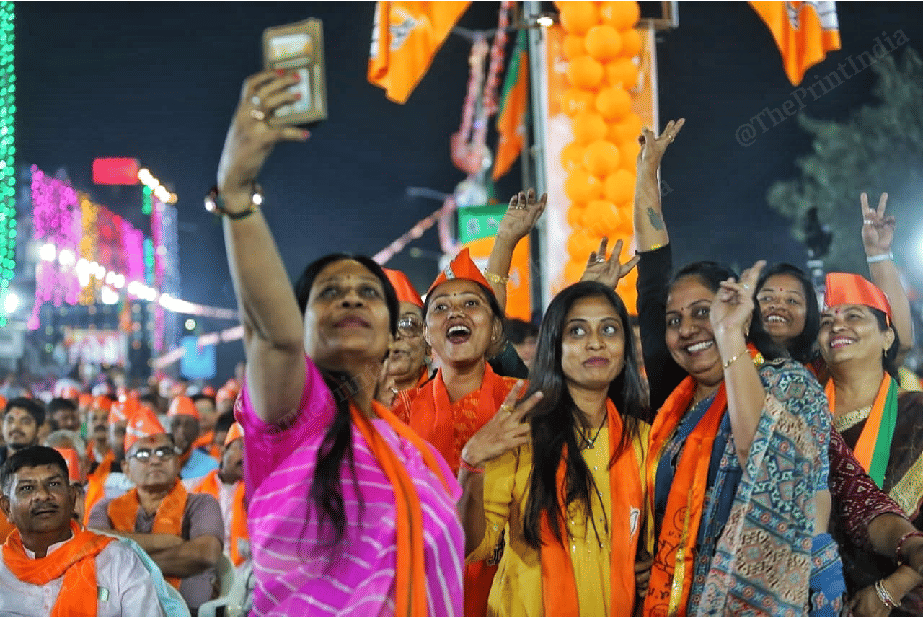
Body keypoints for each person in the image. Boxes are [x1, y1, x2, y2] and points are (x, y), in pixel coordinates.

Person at [215, 68, 463, 616]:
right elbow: (271, 334)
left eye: (366, 294)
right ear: (301, 324)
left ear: (390, 328)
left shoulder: (413, 454)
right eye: (329, 293)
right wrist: (236, 193)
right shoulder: (294, 414)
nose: (350, 300)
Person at [460, 280, 651, 616]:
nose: (595, 343)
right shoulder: (520, 437)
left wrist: (652, 568)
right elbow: (469, 546)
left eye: (609, 329)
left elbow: (654, 544)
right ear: (554, 346)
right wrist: (471, 464)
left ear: (625, 349)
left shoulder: (644, 440)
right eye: (577, 332)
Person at [820, 272, 923, 615]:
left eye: (854, 316)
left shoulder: (917, 413)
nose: (837, 327)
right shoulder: (804, 411)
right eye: (826, 321)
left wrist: (892, 588)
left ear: (887, 336)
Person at [87, 407, 223, 614]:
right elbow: (95, 551)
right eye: (142, 454)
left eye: (164, 452)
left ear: (178, 463)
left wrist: (126, 565)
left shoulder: (202, 503)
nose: (155, 460)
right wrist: (167, 542)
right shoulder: (105, 508)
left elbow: (204, 554)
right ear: (125, 468)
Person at [0, 445, 164, 616]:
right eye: (27, 488)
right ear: (7, 508)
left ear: (72, 498)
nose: (42, 495)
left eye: (54, 484)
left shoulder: (118, 560)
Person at [192, 422, 249, 569]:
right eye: (242, 447)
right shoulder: (196, 489)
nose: (248, 455)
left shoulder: (259, 493)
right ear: (223, 452)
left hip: (246, 571)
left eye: (253, 450)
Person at [376, 268, 432, 410]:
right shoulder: (344, 412)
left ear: (429, 346)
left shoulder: (457, 402)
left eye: (408, 324)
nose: (395, 334)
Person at [166, 395, 219, 483]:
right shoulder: (155, 462)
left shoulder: (210, 466)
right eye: (176, 424)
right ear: (166, 427)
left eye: (188, 425)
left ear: (197, 431)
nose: (181, 431)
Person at [189, 393, 220, 459]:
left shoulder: (222, 441)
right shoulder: (186, 444)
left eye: (207, 410)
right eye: (197, 411)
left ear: (217, 413)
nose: (202, 415)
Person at [86, 394, 114, 466]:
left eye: (105, 418)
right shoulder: (82, 457)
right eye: (94, 419)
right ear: (87, 425)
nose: (99, 423)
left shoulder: (121, 456)